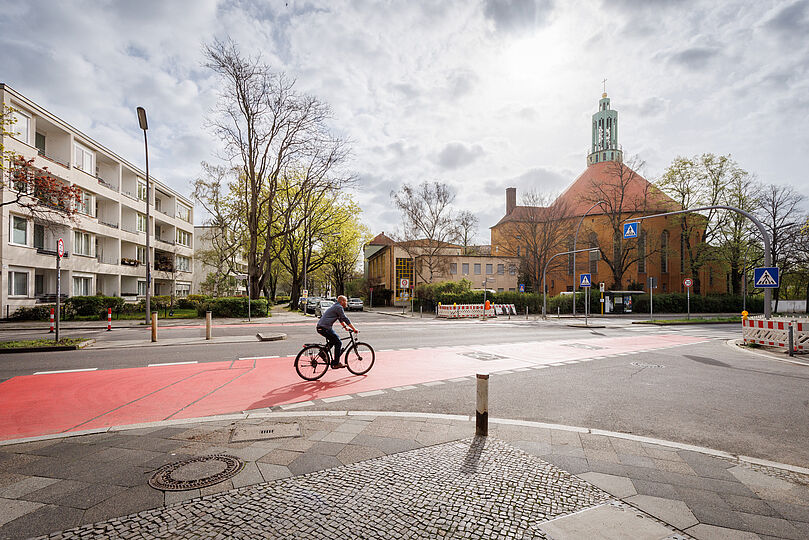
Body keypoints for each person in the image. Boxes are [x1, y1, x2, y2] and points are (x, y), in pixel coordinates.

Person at [316, 295, 358, 368]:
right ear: (342, 301)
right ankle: (336, 363)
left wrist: (345, 327)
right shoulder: (339, 307)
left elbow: (340, 319)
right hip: (325, 328)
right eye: (346, 301)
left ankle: (323, 353)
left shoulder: (336, 306)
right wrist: (354, 329)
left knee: (333, 340)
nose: (346, 303)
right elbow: (345, 318)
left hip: (322, 327)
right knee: (338, 342)